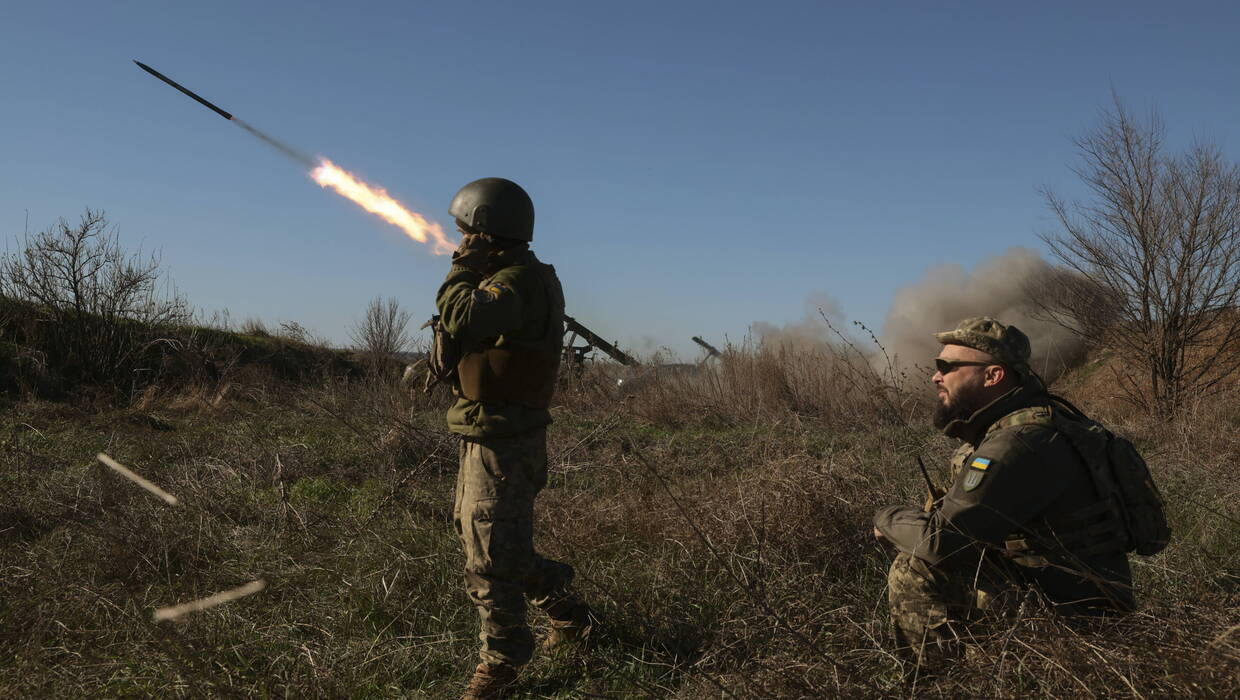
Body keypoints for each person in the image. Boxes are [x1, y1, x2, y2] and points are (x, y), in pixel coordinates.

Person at [873, 317, 1136, 665]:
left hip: (1072, 621)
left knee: (916, 566)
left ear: (993, 375)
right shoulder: (1038, 424)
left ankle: (937, 686)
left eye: (947, 366)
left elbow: (942, 543)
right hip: (1080, 600)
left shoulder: (1021, 443)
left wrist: (885, 516)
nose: (936, 375)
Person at [435, 177, 594, 700]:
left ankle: (501, 666)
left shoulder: (516, 281)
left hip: (505, 440)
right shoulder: (513, 275)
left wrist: (460, 270)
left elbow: (463, 315)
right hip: (489, 432)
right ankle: (568, 611)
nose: (456, 242)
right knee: (492, 543)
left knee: (488, 557)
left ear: (483, 232)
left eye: (464, 233)